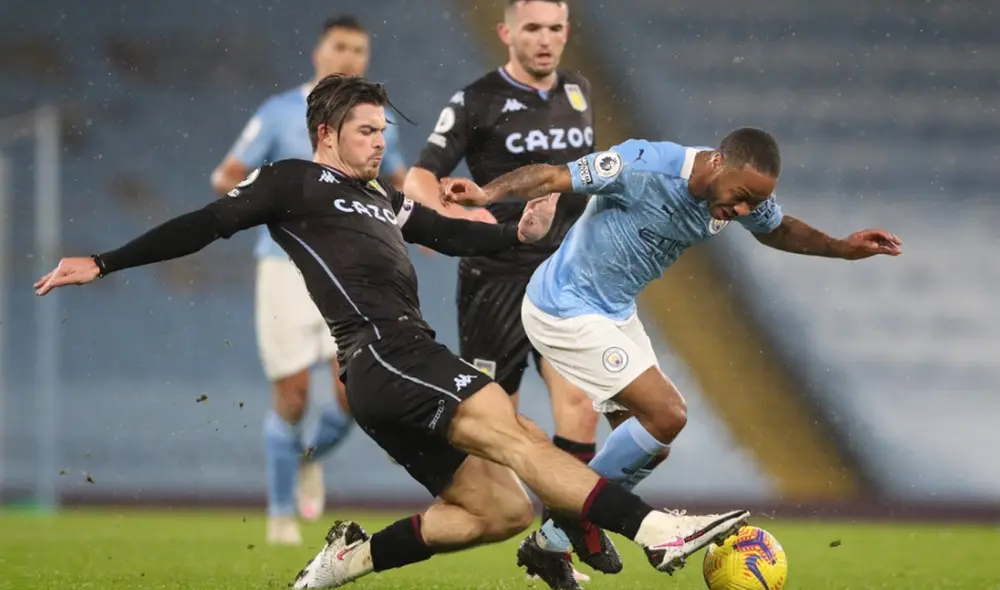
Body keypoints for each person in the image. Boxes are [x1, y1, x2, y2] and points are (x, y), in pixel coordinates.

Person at [34, 75, 751, 590]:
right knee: (519, 435)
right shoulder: (291, 181)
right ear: (326, 134)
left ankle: (350, 560)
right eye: (368, 131)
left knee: (498, 510)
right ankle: (659, 533)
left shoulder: (377, 198)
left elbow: (446, 232)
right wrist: (103, 261)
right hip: (386, 352)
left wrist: (518, 226)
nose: (381, 143)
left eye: (384, 131)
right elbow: (206, 223)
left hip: (394, 368)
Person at [442, 127, 903, 589]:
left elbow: (777, 228)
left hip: (615, 313)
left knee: (649, 446)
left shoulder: (744, 194)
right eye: (741, 198)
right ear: (718, 162)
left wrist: (842, 248)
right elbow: (553, 176)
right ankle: (576, 521)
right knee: (667, 413)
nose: (743, 211)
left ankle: (552, 542)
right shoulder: (645, 166)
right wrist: (488, 191)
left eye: (751, 204)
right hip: (565, 306)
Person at [403, 2, 625, 578]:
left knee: (579, 405)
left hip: (563, 276)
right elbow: (418, 176)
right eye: (533, 28)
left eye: (555, 28)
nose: (546, 39)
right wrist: (451, 220)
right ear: (506, 34)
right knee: (500, 422)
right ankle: (495, 521)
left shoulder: (579, 90)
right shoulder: (475, 100)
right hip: (494, 281)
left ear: (567, 32)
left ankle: (557, 537)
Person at [209, 15, 409, 545]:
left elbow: (397, 183)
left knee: (351, 394)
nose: (349, 57)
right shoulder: (280, 112)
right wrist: (273, 197)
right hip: (284, 266)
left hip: (350, 264)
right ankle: (279, 513)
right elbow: (226, 175)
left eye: (359, 49)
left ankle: (306, 458)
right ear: (318, 54)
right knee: (294, 395)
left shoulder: (375, 118)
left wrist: (433, 216)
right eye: (340, 46)